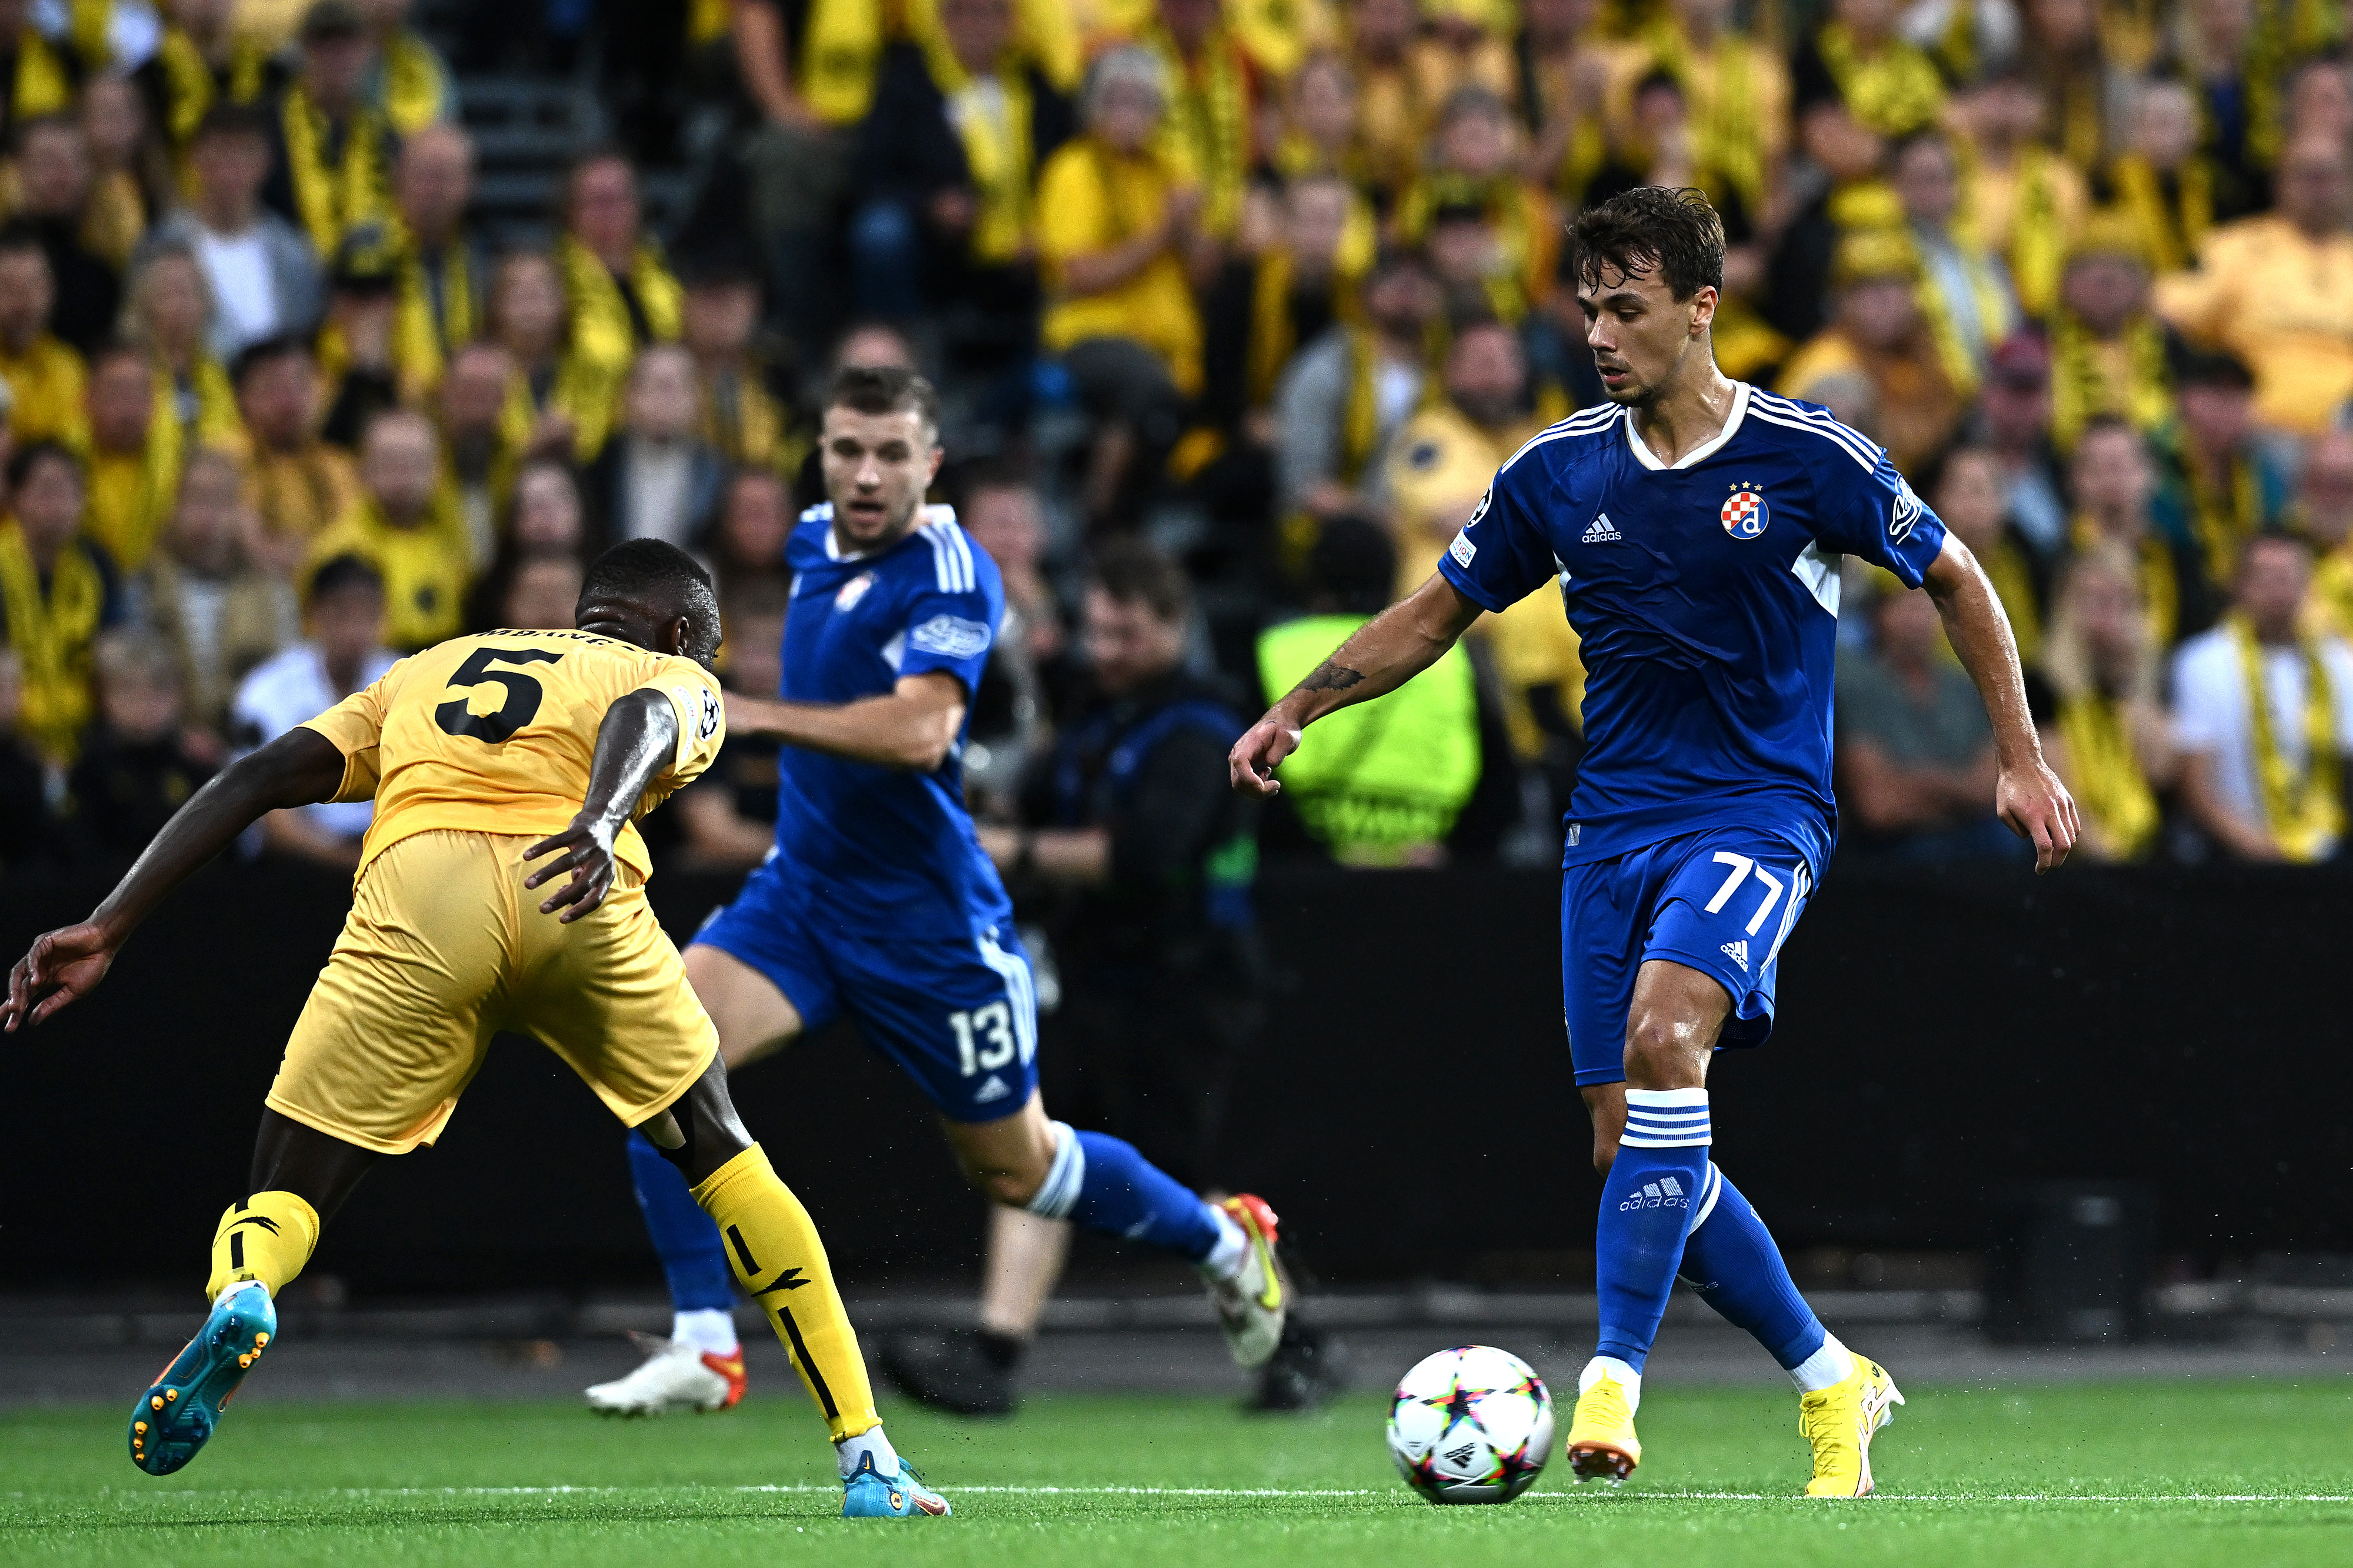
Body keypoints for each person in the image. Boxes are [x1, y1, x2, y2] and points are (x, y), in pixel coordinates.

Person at [1229, 186, 2077, 1497]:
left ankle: (1610, 1380)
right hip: (1609, 828)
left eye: (1625, 309)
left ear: (1700, 309)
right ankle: (1831, 1379)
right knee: (1631, 1149)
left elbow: (1957, 578)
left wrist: (2019, 755)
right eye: (1587, 310)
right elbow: (1434, 614)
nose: (1599, 335)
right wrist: (1300, 703)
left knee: (1666, 1035)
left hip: (1757, 813)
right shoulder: (1557, 471)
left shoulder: (1808, 456)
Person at [1, 538, 955, 1520]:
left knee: (288, 1180)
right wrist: (601, 816)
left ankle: (245, 1287)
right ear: (680, 632)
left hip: (423, 896)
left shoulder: (426, 668)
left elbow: (264, 773)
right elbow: (646, 716)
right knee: (722, 1153)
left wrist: (110, 922)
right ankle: (867, 1457)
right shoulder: (668, 670)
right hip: (574, 886)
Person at [582, 366, 1287, 1418]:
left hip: (928, 923)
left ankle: (1225, 1242)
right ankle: (705, 1341)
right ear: (822, 456)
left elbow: (922, 731)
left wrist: (754, 714)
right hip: (804, 894)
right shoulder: (813, 540)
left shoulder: (952, 573)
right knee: (657, 1060)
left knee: (1021, 1170)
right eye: (847, 450)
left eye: (891, 453)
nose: (867, 474)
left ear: (931, 463)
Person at [882, 539, 1276, 1416]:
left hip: (1183, 982)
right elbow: (1044, 789)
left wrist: (1013, 849)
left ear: (1175, 625)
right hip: (1098, 975)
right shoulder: (1099, 714)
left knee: (1181, 1173)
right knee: (1038, 1149)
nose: (1108, 649)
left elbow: (1144, 853)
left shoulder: (1201, 726)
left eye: (1127, 633)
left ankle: (1292, 1342)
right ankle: (994, 1352)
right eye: (1099, 631)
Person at [1255, 515, 1484, 865]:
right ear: (1392, 578)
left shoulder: (1278, 648)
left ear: (1313, 581)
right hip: (1427, 870)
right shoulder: (1453, 656)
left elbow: (1247, 770)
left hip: (1309, 877)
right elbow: (1500, 775)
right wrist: (1455, 854)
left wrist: (1319, 860)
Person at [2171, 533, 2353, 863]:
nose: (2279, 591)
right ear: (2238, 586)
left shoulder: (2340, 664)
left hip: (2328, 852)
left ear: (2310, 587)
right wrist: (2262, 853)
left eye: (2290, 577)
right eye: (2266, 578)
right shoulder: (2201, 661)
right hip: (2232, 858)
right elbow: (2195, 784)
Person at [2157, 135, 2353, 436]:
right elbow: (2170, 310)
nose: (2319, 187)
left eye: (2329, 176)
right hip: (2258, 429)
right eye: (2307, 175)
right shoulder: (2236, 247)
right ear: (2279, 183)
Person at [229, 550, 396, 870]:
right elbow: (265, 810)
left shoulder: (403, 680)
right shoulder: (267, 689)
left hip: (386, 846)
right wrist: (348, 862)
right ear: (314, 614)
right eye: (343, 613)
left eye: (369, 614)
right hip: (300, 861)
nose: (356, 630)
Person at [1835, 586, 2010, 859]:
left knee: (2010, 840)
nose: (1917, 619)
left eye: (1925, 604)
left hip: (1978, 837)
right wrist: (1960, 793)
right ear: (1880, 614)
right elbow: (1878, 807)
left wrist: (1923, 783)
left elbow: (1994, 788)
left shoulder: (1964, 687)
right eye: (1905, 605)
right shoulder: (1858, 690)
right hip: (1896, 849)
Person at [141, 446, 296, 738]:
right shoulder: (148, 587)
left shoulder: (273, 592)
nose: (207, 516)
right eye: (195, 500)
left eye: (220, 502)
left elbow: (287, 680)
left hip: (255, 740)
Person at [149, 104, 325, 361]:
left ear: (265, 162)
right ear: (194, 158)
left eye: (244, 153)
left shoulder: (293, 251)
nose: (231, 167)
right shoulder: (162, 245)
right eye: (220, 152)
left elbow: (306, 337)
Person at [2036, 548, 2174, 863]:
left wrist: (2133, 682)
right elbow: (2059, 796)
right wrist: (2111, 864)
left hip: (2143, 848)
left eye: (2122, 602)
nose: (2110, 616)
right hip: (2076, 855)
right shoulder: (2043, 685)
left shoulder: (2141, 679)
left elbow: (2160, 771)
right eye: (2096, 600)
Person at [0, 441, 124, 763]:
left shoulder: (97, 561)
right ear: (15, 497)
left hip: (88, 729)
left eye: (71, 492)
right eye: (46, 491)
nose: (60, 505)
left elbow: (114, 647)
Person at [304, 408, 468, 650]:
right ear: (363, 470)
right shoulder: (338, 549)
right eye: (389, 463)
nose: (404, 476)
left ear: (437, 471)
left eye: (415, 463)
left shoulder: (454, 536)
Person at [65, 628, 216, 861]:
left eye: (159, 688)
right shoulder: (91, 768)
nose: (145, 703)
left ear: (179, 694)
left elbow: (222, 853)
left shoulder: (198, 764)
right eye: (129, 690)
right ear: (105, 696)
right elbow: (80, 853)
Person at [580, 344, 727, 553]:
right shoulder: (599, 471)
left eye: (676, 387)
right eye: (654, 386)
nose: (665, 400)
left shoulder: (718, 476)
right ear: (628, 395)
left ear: (698, 399)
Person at [235, 334, 364, 572]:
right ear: (242, 397)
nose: (290, 399)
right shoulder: (229, 459)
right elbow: (247, 544)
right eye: (272, 387)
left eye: (301, 383)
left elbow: (354, 540)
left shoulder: (338, 464)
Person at [0, 222, 89, 449]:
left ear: (52, 290)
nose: (22, 302)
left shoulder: (71, 369)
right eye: (8, 287)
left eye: (32, 286)